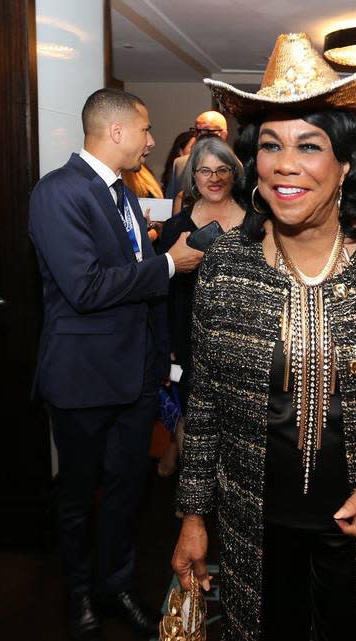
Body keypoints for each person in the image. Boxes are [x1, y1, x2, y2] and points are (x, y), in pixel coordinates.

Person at [170, 33, 356, 641]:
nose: (285, 164)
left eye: (309, 145)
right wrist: (193, 518)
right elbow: (206, 403)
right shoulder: (226, 268)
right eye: (270, 145)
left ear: (347, 162)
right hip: (255, 523)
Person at [28, 88, 191, 641]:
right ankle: (77, 594)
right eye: (144, 130)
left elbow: (136, 286)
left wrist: (161, 349)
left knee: (127, 489)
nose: (150, 141)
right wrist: (169, 264)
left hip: (135, 374)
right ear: (117, 131)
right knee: (77, 496)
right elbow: (85, 287)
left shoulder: (120, 192)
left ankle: (117, 584)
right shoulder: (58, 193)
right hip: (83, 377)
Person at [151, 135, 246, 476]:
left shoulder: (257, 224)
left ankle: (233, 491)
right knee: (195, 417)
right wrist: (168, 345)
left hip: (246, 339)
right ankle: (195, 496)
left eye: (222, 170)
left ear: (234, 173)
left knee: (240, 421)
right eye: (205, 171)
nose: (214, 178)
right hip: (192, 340)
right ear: (193, 177)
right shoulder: (178, 228)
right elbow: (162, 289)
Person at [166, 110, 228, 202]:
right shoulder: (180, 164)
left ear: (223, 135)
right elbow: (172, 203)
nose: (200, 136)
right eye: (197, 130)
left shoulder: (233, 165)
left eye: (206, 131)